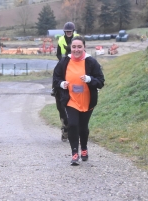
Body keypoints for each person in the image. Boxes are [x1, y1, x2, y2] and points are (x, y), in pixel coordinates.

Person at [53, 36, 105, 165]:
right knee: (72, 124)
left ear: (84, 47)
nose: (76, 49)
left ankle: (84, 148)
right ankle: (75, 153)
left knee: (83, 127)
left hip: (87, 101)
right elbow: (55, 79)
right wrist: (61, 84)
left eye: (79, 47)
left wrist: (89, 80)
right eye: (74, 47)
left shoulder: (91, 62)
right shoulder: (64, 62)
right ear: (71, 48)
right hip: (71, 100)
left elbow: (100, 82)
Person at [51, 21, 79, 96]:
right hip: (64, 61)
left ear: (73, 31)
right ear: (64, 31)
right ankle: (54, 88)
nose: (68, 33)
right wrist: (62, 62)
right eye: (67, 31)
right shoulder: (60, 40)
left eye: (70, 31)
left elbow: (82, 50)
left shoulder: (78, 38)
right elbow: (59, 54)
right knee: (56, 71)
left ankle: (92, 87)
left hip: (77, 60)